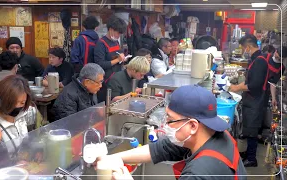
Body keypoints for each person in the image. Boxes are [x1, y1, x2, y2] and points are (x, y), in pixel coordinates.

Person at [96, 85, 247, 179]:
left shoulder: (199, 173)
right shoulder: (211, 134)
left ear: (193, 126)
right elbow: (161, 149)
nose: (165, 124)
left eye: (170, 119)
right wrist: (112, 158)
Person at [229, 34, 269, 167]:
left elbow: (254, 85)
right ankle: (248, 153)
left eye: (243, 47)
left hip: (255, 101)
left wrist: (237, 87)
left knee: (252, 130)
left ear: (248, 46)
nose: (243, 50)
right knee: (249, 128)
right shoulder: (255, 59)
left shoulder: (260, 61)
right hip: (251, 101)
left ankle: (252, 159)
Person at [0, 75, 37, 152]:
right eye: (13, 102)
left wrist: (38, 150)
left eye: (22, 102)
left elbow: (41, 132)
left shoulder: (29, 113)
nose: (17, 106)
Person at [94, 15, 127, 103]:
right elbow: (99, 65)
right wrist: (117, 60)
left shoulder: (116, 42)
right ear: (111, 29)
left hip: (117, 79)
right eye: (118, 33)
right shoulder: (101, 44)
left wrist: (123, 59)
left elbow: (118, 57)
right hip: (106, 82)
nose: (119, 35)